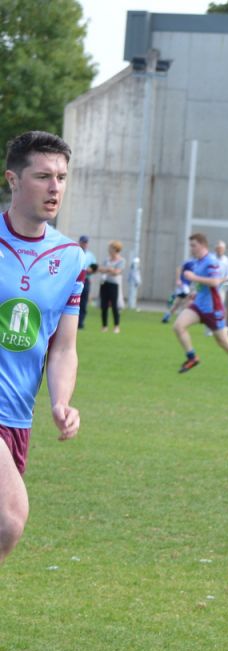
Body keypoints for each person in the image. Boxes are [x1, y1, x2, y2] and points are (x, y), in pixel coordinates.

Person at [0, 131, 85, 563]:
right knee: (9, 518)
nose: (55, 187)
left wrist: (61, 401)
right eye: (43, 176)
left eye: (62, 177)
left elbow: (62, 347)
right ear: (12, 180)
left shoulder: (71, 258)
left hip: (17, 416)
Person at [173, 232, 228, 384]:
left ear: (202, 245)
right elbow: (204, 284)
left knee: (223, 341)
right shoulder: (197, 262)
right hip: (199, 305)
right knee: (178, 326)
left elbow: (215, 282)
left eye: (193, 245)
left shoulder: (211, 261)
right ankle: (192, 358)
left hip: (213, 308)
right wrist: (194, 293)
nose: (191, 248)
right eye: (191, 245)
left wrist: (193, 278)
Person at [99, 240, 125, 333]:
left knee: (115, 305)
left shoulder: (121, 260)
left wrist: (109, 270)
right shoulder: (107, 259)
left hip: (114, 284)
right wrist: (109, 270)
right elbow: (100, 269)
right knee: (104, 305)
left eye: (111, 248)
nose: (109, 250)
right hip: (104, 283)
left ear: (115, 249)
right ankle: (104, 326)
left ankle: (116, 326)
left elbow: (117, 272)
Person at [76, 235, 96, 330]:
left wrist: (90, 269)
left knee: (83, 302)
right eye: (83, 242)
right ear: (79, 242)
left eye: (86, 242)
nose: (84, 244)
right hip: (75, 279)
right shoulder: (75, 252)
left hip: (86, 279)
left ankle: (81, 322)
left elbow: (94, 267)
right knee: (74, 301)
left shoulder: (90, 255)